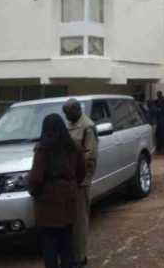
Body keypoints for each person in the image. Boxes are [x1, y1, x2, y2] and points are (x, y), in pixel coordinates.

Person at [29, 113, 85, 268]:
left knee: (49, 243)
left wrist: (33, 191)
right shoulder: (74, 146)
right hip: (68, 197)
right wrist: (72, 186)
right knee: (67, 241)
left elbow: (36, 177)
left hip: (47, 201)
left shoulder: (42, 148)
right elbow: (81, 172)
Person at [63, 99, 98, 267]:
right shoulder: (70, 123)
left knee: (80, 220)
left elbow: (90, 156)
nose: (66, 116)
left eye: (68, 113)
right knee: (70, 220)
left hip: (80, 180)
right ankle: (73, 255)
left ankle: (80, 257)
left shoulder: (87, 126)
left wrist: (79, 176)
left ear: (76, 110)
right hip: (69, 180)